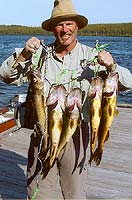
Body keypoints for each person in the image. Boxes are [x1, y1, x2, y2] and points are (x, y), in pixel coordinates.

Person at [0, 0, 132, 199]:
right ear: (53, 29)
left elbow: (128, 83)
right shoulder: (38, 56)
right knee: (38, 194)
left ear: (77, 26)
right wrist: (25, 53)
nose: (64, 29)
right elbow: (6, 76)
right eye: (59, 24)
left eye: (69, 23)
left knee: (75, 195)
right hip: (43, 133)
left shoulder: (92, 56)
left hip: (76, 133)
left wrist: (112, 66)